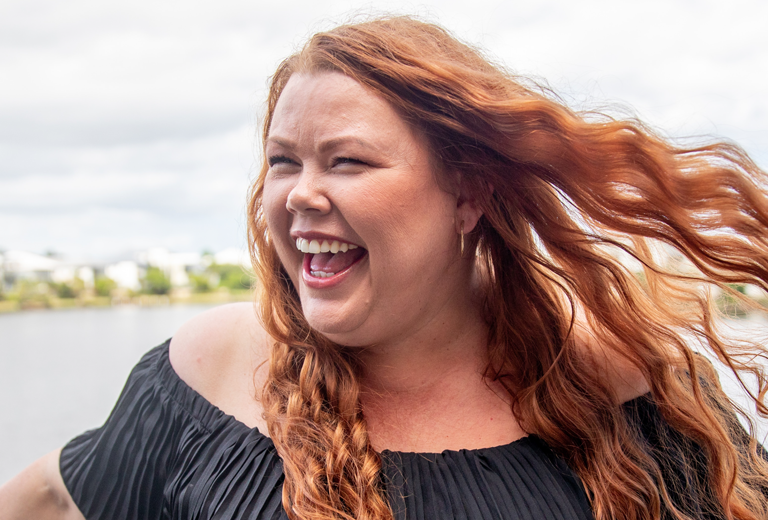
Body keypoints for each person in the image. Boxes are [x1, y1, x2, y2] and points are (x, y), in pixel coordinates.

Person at [2, 15, 768, 520]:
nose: (301, 193)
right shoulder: (213, 367)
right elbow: (58, 493)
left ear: (468, 192)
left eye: (348, 161)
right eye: (281, 161)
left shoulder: (615, 382)